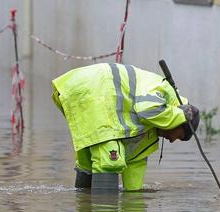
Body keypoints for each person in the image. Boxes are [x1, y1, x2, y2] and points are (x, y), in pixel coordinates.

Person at [51, 63, 199, 192]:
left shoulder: (149, 130)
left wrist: (135, 200)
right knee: (110, 160)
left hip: (82, 92)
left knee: (87, 162)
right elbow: (146, 109)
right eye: (178, 136)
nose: (172, 140)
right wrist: (180, 114)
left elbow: (136, 161)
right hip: (93, 91)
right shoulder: (165, 91)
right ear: (180, 122)